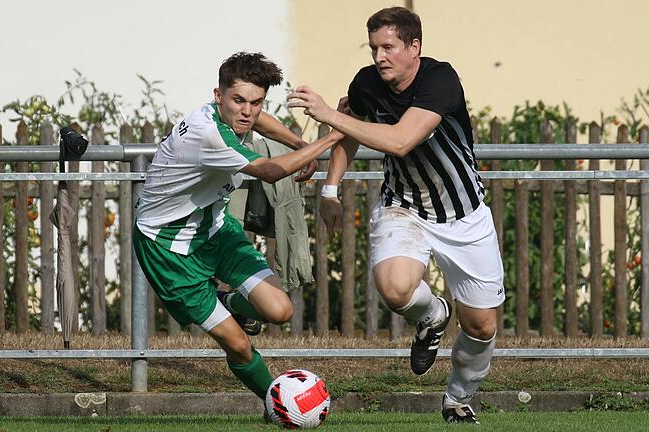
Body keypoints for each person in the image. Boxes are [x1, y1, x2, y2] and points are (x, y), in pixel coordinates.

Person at [288, 6, 504, 424]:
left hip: (463, 215)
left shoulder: (441, 79)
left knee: (481, 327)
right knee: (394, 287)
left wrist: (328, 114)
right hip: (403, 206)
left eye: (388, 47)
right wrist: (330, 190)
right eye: (374, 48)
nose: (379, 56)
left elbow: (402, 140)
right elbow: (350, 134)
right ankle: (432, 314)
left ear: (414, 47)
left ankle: (458, 398)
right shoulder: (367, 84)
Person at [133, 52, 341, 407]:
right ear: (218, 95)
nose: (247, 111)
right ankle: (278, 406)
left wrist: (301, 145)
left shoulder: (229, 116)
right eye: (239, 100)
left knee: (280, 311)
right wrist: (333, 135)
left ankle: (229, 301)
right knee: (240, 345)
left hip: (214, 230)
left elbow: (260, 123)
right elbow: (272, 171)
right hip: (168, 250)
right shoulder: (209, 135)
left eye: (256, 102)